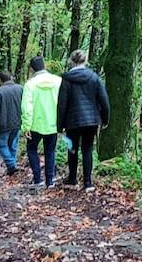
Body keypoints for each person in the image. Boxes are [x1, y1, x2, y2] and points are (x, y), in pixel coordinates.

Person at [57, 49, 109, 191]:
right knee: (87, 149)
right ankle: (88, 183)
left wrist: (59, 126)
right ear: (85, 61)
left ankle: (72, 179)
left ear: (71, 61)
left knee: (72, 149)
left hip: (72, 121)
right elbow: (104, 99)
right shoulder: (94, 77)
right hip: (91, 120)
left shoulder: (67, 79)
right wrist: (105, 119)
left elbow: (62, 103)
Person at [20, 56, 61, 190]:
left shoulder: (30, 84)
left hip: (35, 125)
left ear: (31, 69)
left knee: (32, 149)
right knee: (50, 151)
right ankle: (49, 181)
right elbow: (62, 103)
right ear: (44, 66)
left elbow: (27, 107)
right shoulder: (57, 81)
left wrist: (26, 126)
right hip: (53, 124)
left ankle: (37, 179)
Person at [0, 71, 23, 176]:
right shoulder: (20, 88)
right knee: (13, 145)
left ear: (0, 80)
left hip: (2, 124)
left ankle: (11, 165)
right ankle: (12, 166)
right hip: (17, 122)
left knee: (2, 145)